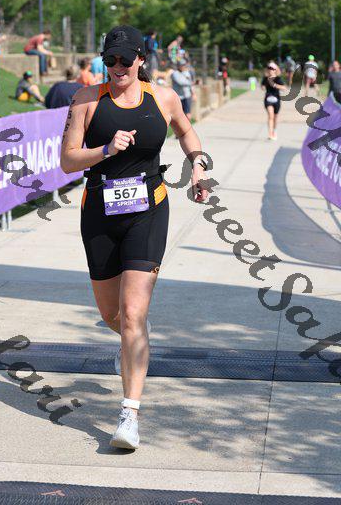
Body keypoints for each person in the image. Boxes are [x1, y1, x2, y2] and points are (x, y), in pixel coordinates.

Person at [60, 25, 209, 450]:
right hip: (99, 213)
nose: (118, 67)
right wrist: (106, 150)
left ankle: (129, 415)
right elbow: (68, 161)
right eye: (110, 60)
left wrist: (199, 167)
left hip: (148, 211)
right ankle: (132, 341)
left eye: (126, 59)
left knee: (132, 313)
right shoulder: (87, 100)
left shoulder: (163, 98)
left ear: (141, 59)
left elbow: (186, 132)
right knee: (114, 315)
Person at [261, 61, 288, 140]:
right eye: (269, 68)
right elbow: (262, 86)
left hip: (276, 99)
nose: (270, 70)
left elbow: (284, 88)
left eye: (272, 68)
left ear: (275, 70)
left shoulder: (278, 79)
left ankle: (274, 131)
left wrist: (275, 85)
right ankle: (270, 134)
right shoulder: (265, 78)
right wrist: (263, 86)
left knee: (275, 117)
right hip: (268, 98)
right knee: (270, 115)